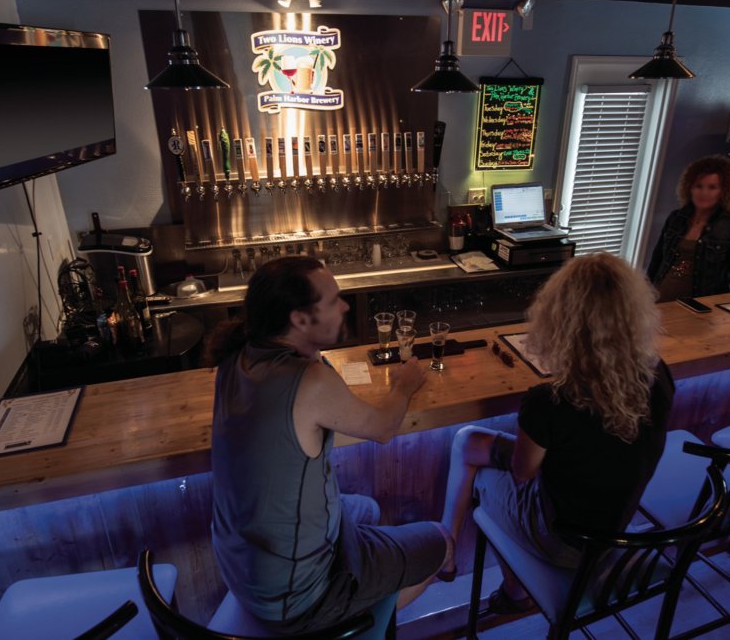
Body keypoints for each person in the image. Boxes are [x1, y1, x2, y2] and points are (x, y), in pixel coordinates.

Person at [208, 256, 452, 634]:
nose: (345, 306)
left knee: (365, 508)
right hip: (296, 598)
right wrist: (404, 384)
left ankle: (366, 596)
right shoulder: (309, 379)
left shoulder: (235, 359)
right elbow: (383, 427)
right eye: (333, 299)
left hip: (245, 570)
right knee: (444, 543)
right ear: (299, 319)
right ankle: (357, 620)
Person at [437, 253, 674, 612]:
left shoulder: (551, 400)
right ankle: (474, 569)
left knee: (476, 465)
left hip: (566, 541)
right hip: (617, 530)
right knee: (470, 442)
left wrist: (502, 446)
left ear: (563, 320)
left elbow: (523, 471)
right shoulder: (659, 377)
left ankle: (480, 573)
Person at [647, 155, 730, 302]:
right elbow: (657, 260)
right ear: (689, 188)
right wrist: (646, 292)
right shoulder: (676, 218)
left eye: (712, 187)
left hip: (703, 305)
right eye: (698, 186)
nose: (703, 193)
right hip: (662, 300)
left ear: (724, 191)